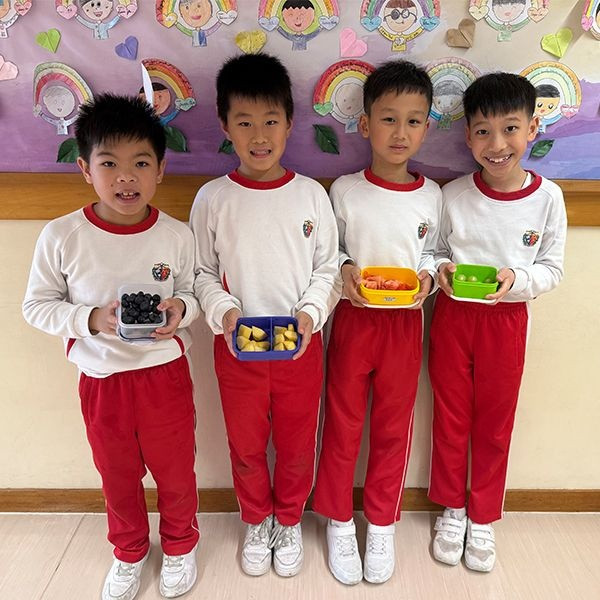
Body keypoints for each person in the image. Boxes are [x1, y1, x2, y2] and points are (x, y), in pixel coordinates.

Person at [22, 94, 201, 600]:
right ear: (85, 168)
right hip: (102, 381)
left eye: (141, 163)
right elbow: (36, 306)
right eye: (109, 164)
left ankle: (180, 546)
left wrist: (181, 310)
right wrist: (91, 319)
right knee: (117, 477)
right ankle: (129, 551)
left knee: (176, 474)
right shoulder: (62, 236)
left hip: (164, 376)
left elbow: (193, 292)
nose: (126, 178)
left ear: (160, 169)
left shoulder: (176, 235)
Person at [190, 53, 338, 578]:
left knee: (297, 445)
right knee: (247, 445)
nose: (259, 136)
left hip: (300, 347)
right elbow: (200, 273)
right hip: (238, 347)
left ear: (290, 123)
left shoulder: (311, 196)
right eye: (245, 122)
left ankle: (289, 518)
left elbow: (328, 269)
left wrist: (311, 313)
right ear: (225, 125)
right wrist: (225, 312)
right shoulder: (212, 198)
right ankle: (256, 519)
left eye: (270, 121)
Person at [428, 72, 567, 572]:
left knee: (494, 422)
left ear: (532, 128)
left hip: (506, 322)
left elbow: (552, 269)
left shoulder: (548, 198)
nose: (497, 144)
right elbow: (434, 251)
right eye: (483, 131)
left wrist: (517, 280)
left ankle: (483, 513)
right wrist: (441, 271)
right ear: (468, 137)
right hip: (453, 317)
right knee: (451, 416)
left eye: (510, 128)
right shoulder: (453, 195)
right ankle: (452, 508)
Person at [312, 60, 441, 585]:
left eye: (413, 121)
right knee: (342, 422)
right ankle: (339, 520)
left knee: (394, 426)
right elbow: (331, 251)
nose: (400, 132)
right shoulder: (344, 190)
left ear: (427, 127)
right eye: (388, 119)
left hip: (405, 326)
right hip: (353, 321)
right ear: (365, 124)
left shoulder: (433, 195)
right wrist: (345, 269)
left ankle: (382, 522)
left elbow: (435, 252)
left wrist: (429, 277)